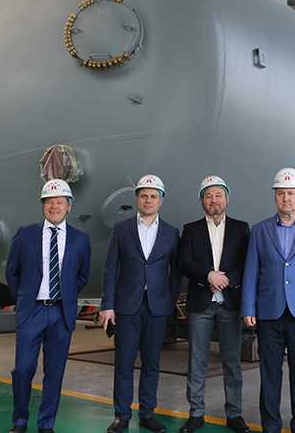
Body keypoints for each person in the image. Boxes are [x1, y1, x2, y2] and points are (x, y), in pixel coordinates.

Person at [240, 168, 295, 433]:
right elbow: (251, 271)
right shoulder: (260, 230)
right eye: (281, 193)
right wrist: (248, 307)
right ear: (275, 196)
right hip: (269, 312)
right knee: (270, 374)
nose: (286, 198)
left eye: (291, 193)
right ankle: (271, 426)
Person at [6, 179, 92, 433]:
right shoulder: (25, 234)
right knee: (23, 369)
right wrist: (24, 298)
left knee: (54, 371)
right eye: (49, 202)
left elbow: (82, 276)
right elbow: (12, 272)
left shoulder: (80, 239)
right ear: (43, 205)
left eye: (59, 202)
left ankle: (46, 424)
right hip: (31, 311)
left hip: (61, 313)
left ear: (69, 206)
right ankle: (19, 422)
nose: (54, 206)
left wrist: (66, 296)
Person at [99, 175, 182, 433]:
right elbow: (110, 268)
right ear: (137, 199)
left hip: (156, 307)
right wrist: (107, 304)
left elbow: (176, 272)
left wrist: (169, 301)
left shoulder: (171, 232)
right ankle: (122, 415)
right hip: (126, 306)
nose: (148, 200)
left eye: (153, 196)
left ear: (161, 200)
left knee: (151, 363)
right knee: (124, 363)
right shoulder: (121, 229)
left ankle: (147, 414)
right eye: (144, 195)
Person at [177, 176, 252, 433]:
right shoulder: (191, 229)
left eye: (218, 195)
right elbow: (183, 261)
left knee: (232, 361)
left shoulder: (241, 229)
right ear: (202, 201)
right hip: (201, 304)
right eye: (208, 196)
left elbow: (248, 261)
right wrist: (208, 276)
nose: (214, 200)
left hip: (230, 303)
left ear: (227, 199)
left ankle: (235, 414)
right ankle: (196, 414)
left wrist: (225, 279)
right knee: (197, 361)